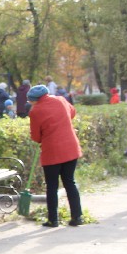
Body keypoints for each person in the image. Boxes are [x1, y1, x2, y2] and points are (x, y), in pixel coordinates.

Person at [27, 84, 84, 227]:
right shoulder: (61, 100)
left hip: (52, 151)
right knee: (70, 181)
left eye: (30, 101)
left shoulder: (35, 111)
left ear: (35, 100)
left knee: (52, 186)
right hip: (70, 148)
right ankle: (77, 217)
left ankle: (53, 220)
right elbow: (72, 112)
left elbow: (36, 136)